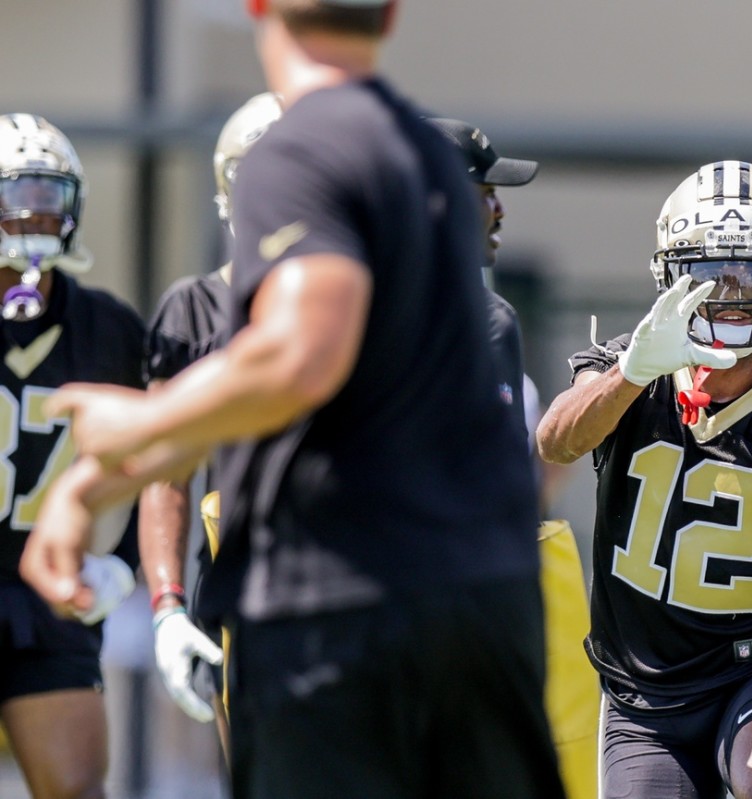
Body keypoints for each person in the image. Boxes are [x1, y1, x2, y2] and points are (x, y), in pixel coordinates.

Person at [18, 2, 565, 798]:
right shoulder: (433, 163)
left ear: (260, 7)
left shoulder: (296, 147)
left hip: (337, 609)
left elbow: (300, 352)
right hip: (485, 604)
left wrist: (116, 447)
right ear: (390, 12)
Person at [537, 160, 752, 799]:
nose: (729, 291)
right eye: (707, 271)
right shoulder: (627, 369)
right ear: (670, 274)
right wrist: (632, 372)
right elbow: (556, 440)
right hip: (645, 688)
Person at [430, 116, 600, 799]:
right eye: (483, 191)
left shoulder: (332, 298)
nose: (498, 208)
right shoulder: (482, 316)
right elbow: (498, 507)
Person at [0, 113, 144, 799]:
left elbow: (164, 460)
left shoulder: (111, 329)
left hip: (48, 594)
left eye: (48, 195)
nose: (34, 214)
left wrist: (128, 564)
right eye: (18, 195)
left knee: (77, 789)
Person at [139, 92, 282, 757]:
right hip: (237, 583)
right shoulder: (196, 309)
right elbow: (166, 471)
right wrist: (166, 604)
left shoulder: (358, 300)